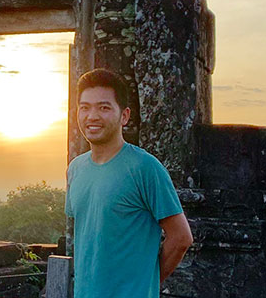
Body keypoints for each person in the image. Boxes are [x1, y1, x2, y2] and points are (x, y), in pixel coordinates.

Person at [65, 68, 193, 298]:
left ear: (124, 116)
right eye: (85, 107)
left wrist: (145, 283)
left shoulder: (145, 168)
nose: (92, 116)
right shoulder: (75, 169)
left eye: (104, 107)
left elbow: (181, 238)